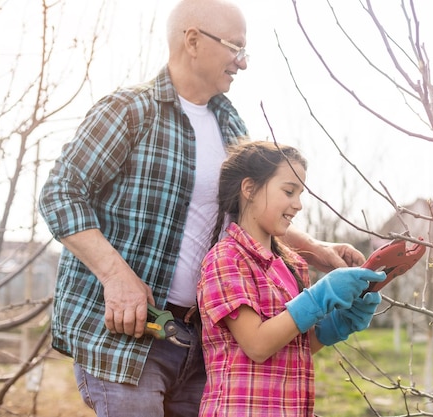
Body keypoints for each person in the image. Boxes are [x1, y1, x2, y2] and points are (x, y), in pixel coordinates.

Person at [37, 1, 366, 416]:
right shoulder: (129, 111)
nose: (242, 63)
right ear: (192, 40)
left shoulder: (231, 127)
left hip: (201, 344)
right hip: (129, 337)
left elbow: (249, 218)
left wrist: (320, 252)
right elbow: (60, 192)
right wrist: (116, 277)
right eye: (236, 47)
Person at [198, 141, 386, 416]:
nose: (297, 205)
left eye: (300, 194)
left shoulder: (292, 266)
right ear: (249, 189)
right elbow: (258, 345)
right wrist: (322, 295)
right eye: (289, 191)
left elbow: (297, 347)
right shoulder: (226, 259)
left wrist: (340, 323)